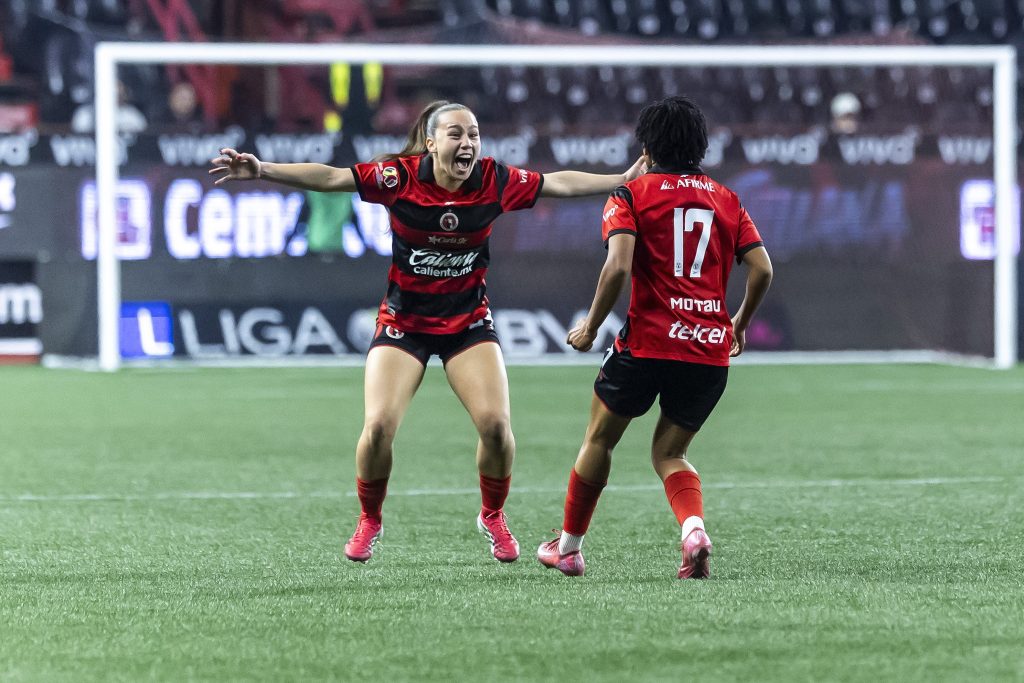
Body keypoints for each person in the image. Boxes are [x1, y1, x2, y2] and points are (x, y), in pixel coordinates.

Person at [209, 100, 645, 565]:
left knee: (497, 428)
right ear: (432, 142)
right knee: (378, 427)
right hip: (404, 323)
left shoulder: (494, 180)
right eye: (456, 134)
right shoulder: (398, 177)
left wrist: (619, 180)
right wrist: (262, 170)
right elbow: (333, 177)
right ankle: (370, 519)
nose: (468, 142)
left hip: (467, 324)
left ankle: (492, 515)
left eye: (474, 134)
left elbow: (557, 182)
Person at [536, 96, 773, 579]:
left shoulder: (631, 194)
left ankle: (569, 548)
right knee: (670, 453)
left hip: (646, 345)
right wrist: (739, 322)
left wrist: (590, 327)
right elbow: (763, 269)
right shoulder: (727, 200)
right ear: (701, 147)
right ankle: (693, 531)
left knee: (599, 440)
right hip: (707, 349)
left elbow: (617, 266)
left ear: (646, 147)